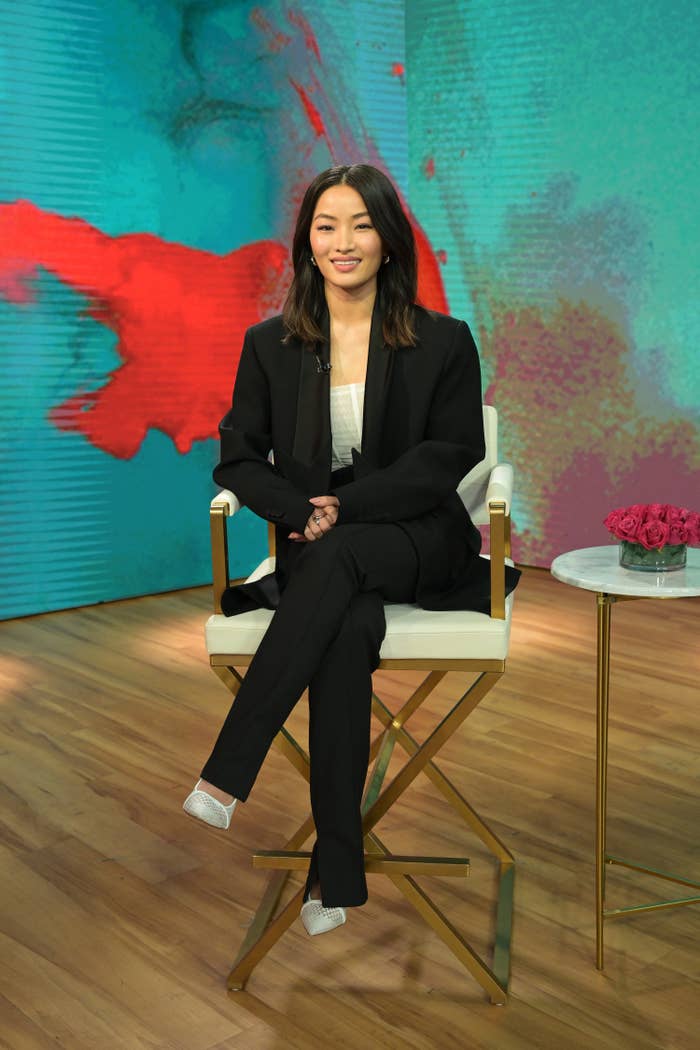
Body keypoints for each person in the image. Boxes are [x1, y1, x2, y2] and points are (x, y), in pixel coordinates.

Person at [183, 163, 519, 937]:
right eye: (327, 226)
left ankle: (227, 772)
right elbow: (235, 460)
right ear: (307, 241)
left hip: (417, 536)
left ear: (388, 240)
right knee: (342, 634)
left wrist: (345, 505)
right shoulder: (271, 344)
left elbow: (453, 452)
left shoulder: (443, 339)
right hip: (323, 544)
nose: (343, 242)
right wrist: (300, 509)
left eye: (361, 225)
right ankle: (335, 880)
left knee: (335, 566)